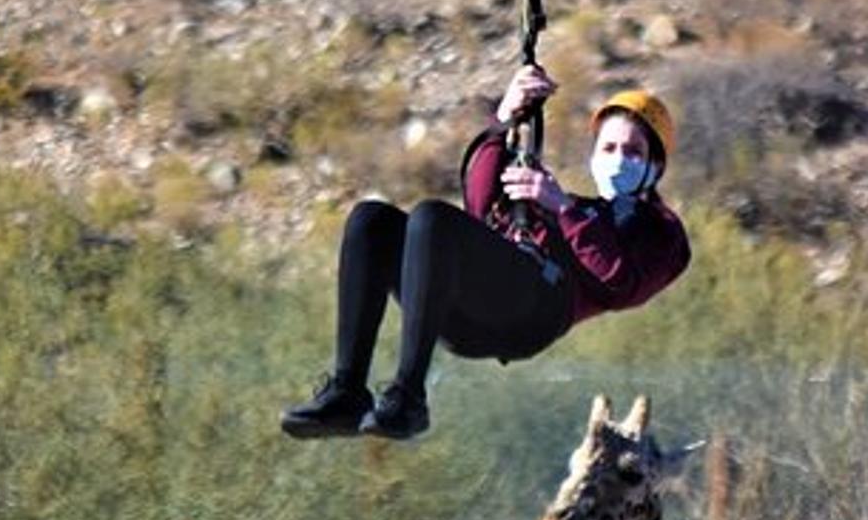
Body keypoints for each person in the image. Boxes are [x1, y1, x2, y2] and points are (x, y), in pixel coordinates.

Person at [281, 66, 690, 441]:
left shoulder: (661, 233)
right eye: (609, 148)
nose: (619, 160)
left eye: (633, 151)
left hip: (537, 310)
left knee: (431, 217)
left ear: (656, 164)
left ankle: (408, 397)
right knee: (371, 220)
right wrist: (504, 121)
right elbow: (480, 208)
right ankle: (347, 391)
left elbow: (620, 285)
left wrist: (561, 208)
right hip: (471, 307)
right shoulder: (572, 206)